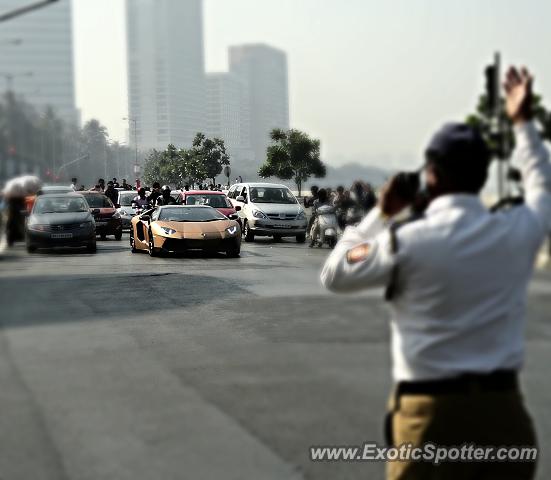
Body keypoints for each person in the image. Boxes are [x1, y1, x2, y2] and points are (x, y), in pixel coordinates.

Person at [321, 66, 549, 480]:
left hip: (428, 419)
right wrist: (523, 122)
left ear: (432, 175)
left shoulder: (405, 240)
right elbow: (541, 186)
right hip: (502, 416)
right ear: (482, 175)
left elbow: (336, 274)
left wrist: (381, 214)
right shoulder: (517, 230)